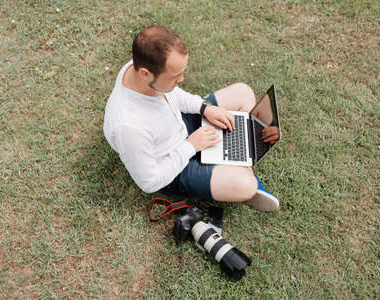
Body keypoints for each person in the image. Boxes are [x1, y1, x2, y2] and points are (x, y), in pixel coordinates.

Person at [103, 25, 280, 211]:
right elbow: (149, 182)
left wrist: (205, 109)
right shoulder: (129, 126)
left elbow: (175, 95)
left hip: (178, 124)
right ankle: (237, 169)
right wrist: (191, 146)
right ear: (146, 73)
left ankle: (232, 159)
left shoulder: (138, 68)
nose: (181, 80)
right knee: (247, 185)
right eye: (175, 76)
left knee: (242, 93)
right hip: (172, 165)